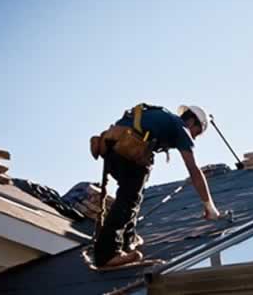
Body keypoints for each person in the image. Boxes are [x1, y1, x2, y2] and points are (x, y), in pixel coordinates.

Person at [89, 104, 221, 267]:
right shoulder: (181, 128)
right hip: (126, 149)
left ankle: (127, 240)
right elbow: (193, 170)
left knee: (132, 195)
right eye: (197, 133)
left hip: (112, 146)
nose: (194, 138)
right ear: (192, 122)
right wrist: (209, 206)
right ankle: (107, 254)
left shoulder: (162, 118)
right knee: (128, 199)